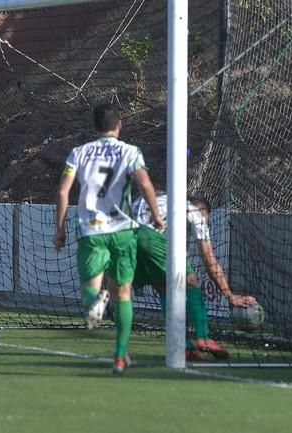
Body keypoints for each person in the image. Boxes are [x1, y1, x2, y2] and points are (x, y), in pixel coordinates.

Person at [52, 103, 164, 375]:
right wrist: (156, 214)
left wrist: (60, 228)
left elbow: (63, 191)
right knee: (123, 294)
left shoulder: (78, 153)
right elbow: (145, 184)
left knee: (89, 290)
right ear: (119, 124)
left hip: (92, 231)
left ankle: (95, 301)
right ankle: (120, 356)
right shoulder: (130, 152)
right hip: (123, 231)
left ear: (94, 127)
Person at [132, 193, 257, 361]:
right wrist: (230, 296)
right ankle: (203, 338)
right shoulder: (194, 212)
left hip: (126, 237)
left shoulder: (165, 200)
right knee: (190, 280)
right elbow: (209, 259)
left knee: (162, 287)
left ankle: (184, 346)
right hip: (149, 235)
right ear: (202, 210)